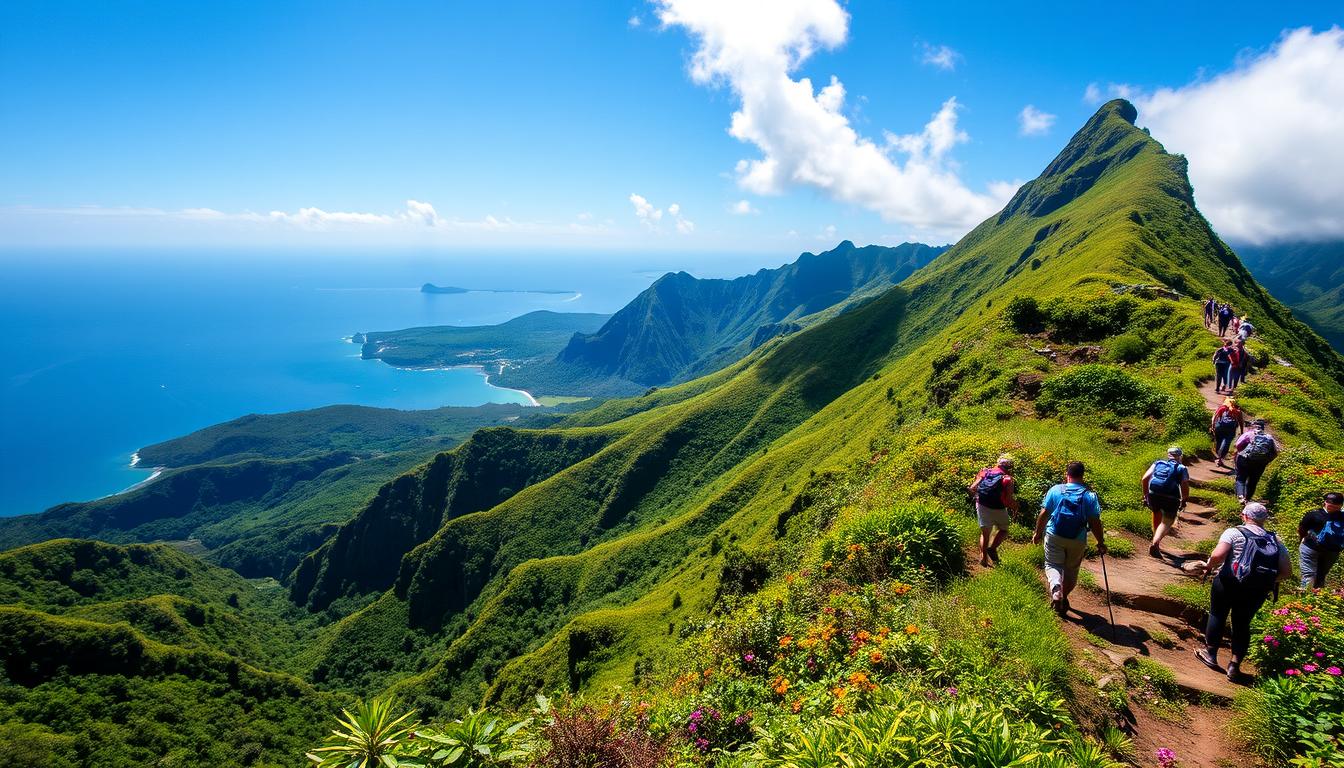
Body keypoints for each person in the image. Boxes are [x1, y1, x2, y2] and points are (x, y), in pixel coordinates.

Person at [1194, 502, 1291, 681]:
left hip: (1228, 582)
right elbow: (1286, 571)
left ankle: (1211, 655)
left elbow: (1218, 555)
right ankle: (1234, 666)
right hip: (1257, 589)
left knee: (1217, 614)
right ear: (1264, 519)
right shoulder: (1274, 539)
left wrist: (1209, 565)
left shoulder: (1234, 532)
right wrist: (1266, 580)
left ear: (1244, 516)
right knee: (1243, 623)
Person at [1033, 461, 1106, 616]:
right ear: (1082, 475)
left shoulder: (1055, 490)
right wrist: (1100, 542)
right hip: (1077, 539)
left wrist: (1038, 533)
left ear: (1067, 474)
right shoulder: (1089, 496)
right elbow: (1095, 522)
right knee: (1071, 570)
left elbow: (1044, 514)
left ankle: (1056, 591)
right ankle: (1064, 596)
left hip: (1054, 534)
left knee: (1053, 564)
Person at [968, 453, 1020, 568]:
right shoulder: (1008, 479)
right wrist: (1016, 507)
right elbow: (1008, 500)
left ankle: (983, 557)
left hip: (981, 505)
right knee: (1004, 530)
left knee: (985, 533)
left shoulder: (985, 472)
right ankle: (992, 548)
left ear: (998, 463)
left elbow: (972, 488)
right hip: (998, 508)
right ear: (1010, 468)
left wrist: (977, 497)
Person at [1143, 447, 1190, 557]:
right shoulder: (1182, 468)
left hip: (1154, 493)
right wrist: (1184, 500)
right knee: (1167, 521)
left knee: (1156, 513)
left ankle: (1155, 539)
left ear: (1168, 455)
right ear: (1180, 456)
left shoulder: (1158, 463)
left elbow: (1145, 478)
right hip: (1171, 497)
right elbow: (1184, 485)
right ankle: (1156, 542)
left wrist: (1146, 495)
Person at [1297, 492, 1344, 589]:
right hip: (1332, 551)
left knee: (1308, 574)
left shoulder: (1313, 515)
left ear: (1325, 502)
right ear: (1341, 505)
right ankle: (1319, 598)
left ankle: (1305, 598)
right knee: (1321, 576)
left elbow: (1301, 529)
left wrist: (1302, 539)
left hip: (1311, 548)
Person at [1233, 419, 1279, 503]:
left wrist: (1241, 453)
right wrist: (1267, 460)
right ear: (1263, 428)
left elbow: (1238, 445)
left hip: (1245, 458)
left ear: (1253, 426)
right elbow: (1276, 452)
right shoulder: (1269, 437)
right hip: (1260, 463)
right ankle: (1247, 499)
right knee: (1253, 481)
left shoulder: (1249, 434)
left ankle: (1240, 497)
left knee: (1241, 479)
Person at [1210, 397, 1244, 469]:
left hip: (1219, 427)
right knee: (1227, 443)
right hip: (1231, 429)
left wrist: (1213, 426)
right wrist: (1241, 431)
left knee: (1219, 442)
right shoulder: (1238, 411)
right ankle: (1220, 459)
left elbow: (1215, 417)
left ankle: (1217, 456)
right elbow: (1241, 422)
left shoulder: (1222, 408)